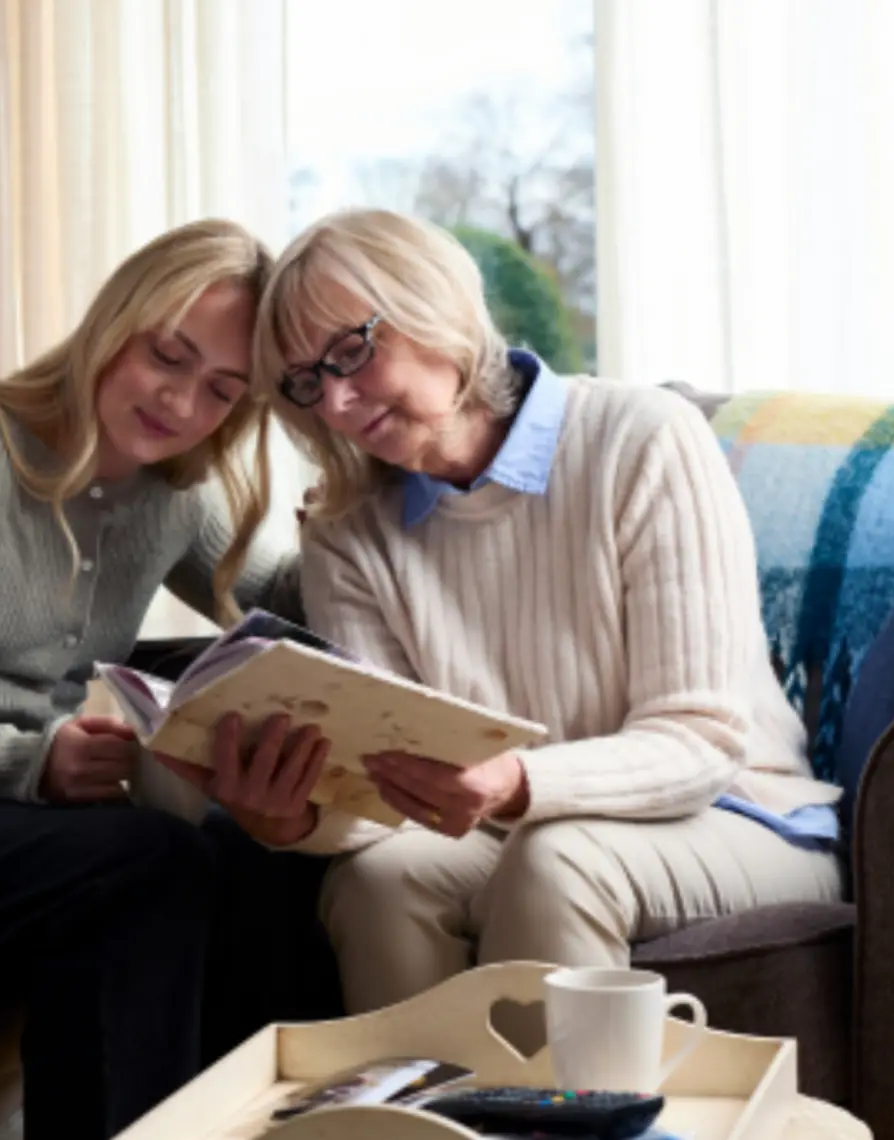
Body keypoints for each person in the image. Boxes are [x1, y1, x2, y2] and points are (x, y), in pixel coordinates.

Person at [162, 207, 844, 1014]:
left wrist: (517, 782)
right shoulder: (348, 531)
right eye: (308, 383)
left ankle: (552, 1095)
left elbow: (701, 739)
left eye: (351, 351)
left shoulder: (642, 440)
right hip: (511, 828)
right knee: (379, 882)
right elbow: (386, 797)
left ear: (435, 306)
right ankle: (413, 1098)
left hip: (737, 812)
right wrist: (288, 821)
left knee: (557, 862)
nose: (337, 403)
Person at [0, 219, 335, 1139]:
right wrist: (31, 762)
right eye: (167, 355)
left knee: (261, 862)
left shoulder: (172, 490)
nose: (181, 401)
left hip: (27, 827)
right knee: (153, 864)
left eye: (222, 390)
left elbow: (280, 596)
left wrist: (355, 515)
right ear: (115, 320)